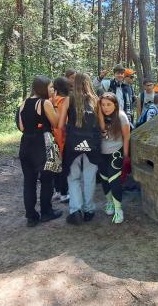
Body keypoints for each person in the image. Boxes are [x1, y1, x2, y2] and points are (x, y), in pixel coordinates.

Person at [17, 76, 63, 227]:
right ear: (42, 88)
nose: (52, 90)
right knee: (46, 179)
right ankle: (46, 212)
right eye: (50, 87)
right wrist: (54, 106)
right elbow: (56, 123)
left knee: (29, 181)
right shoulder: (45, 103)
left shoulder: (24, 103)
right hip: (43, 142)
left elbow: (21, 127)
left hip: (25, 143)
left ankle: (31, 216)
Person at [60, 73, 101, 225]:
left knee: (73, 178)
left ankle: (75, 210)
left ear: (74, 84)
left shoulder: (67, 100)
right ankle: (89, 209)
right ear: (89, 83)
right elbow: (101, 125)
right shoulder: (96, 100)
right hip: (93, 145)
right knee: (90, 179)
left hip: (73, 145)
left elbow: (59, 124)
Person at [97, 93, 131, 224]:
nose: (106, 108)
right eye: (103, 105)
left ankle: (118, 209)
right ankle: (110, 203)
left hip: (116, 153)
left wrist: (126, 155)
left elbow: (127, 137)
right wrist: (99, 113)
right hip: (101, 153)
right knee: (104, 179)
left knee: (114, 180)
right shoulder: (99, 116)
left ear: (115, 104)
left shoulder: (121, 117)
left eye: (109, 104)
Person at [51, 77, 71, 203]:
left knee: (55, 165)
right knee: (64, 166)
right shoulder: (66, 101)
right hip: (63, 135)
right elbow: (66, 120)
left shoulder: (51, 100)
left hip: (52, 135)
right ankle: (64, 193)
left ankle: (57, 191)